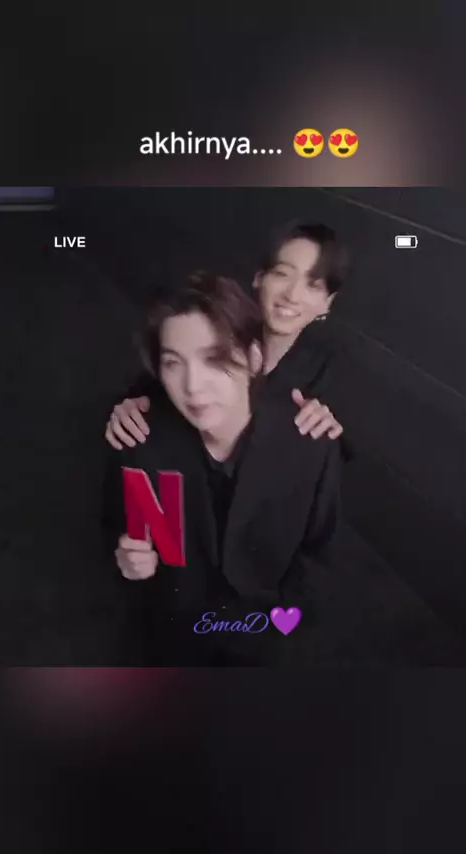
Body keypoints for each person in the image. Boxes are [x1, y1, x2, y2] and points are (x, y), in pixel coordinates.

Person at [108, 272, 341, 666]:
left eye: (214, 359)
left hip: (267, 633)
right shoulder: (141, 441)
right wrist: (128, 559)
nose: (193, 386)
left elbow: (322, 553)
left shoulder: (310, 444)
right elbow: (116, 525)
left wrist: (286, 626)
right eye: (173, 363)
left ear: (254, 358)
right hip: (172, 633)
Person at [105, 223, 349, 452]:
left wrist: (327, 426)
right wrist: (127, 410)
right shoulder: (214, 326)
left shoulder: (322, 369)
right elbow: (145, 393)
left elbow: (332, 452)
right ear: (259, 278)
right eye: (282, 274)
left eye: (313, 285)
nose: (292, 295)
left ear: (327, 303)